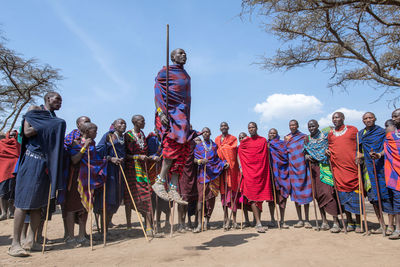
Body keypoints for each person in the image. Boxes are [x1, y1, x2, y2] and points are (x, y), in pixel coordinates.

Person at [9, 92, 66, 257]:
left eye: (61, 100)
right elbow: (26, 132)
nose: (60, 102)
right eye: (58, 99)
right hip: (32, 160)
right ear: (48, 99)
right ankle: (15, 244)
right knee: (23, 202)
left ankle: (31, 241)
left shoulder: (53, 118)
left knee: (39, 204)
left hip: (45, 163)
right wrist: (49, 125)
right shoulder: (35, 109)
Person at [152, 48, 197, 205]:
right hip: (171, 115)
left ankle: (173, 187)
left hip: (183, 116)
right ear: (172, 57)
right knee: (172, 146)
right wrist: (161, 112)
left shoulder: (185, 75)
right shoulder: (165, 72)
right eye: (180, 53)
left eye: (185, 53)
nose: (184, 55)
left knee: (183, 151)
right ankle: (159, 181)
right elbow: (157, 93)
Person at [64, 122, 107, 246]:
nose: (96, 133)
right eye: (95, 131)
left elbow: (95, 160)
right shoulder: (75, 142)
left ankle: (82, 235)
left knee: (85, 208)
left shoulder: (93, 143)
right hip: (77, 180)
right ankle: (71, 237)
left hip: (89, 179)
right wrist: (84, 147)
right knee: (72, 208)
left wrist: (106, 160)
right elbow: (75, 159)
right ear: (87, 132)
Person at [358, 112, 394, 234]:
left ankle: (391, 225)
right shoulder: (360, 134)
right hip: (368, 170)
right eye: (365, 118)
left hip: (382, 167)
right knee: (373, 198)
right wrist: (359, 157)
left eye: (370, 118)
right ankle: (381, 224)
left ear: (375, 119)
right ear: (363, 121)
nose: (368, 120)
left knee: (386, 196)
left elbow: (388, 148)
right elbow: (359, 151)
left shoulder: (381, 132)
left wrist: (379, 154)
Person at [326, 112, 362, 233]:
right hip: (338, 169)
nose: (335, 119)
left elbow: (359, 145)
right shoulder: (330, 134)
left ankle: (358, 222)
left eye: (337, 117)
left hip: (352, 168)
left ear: (343, 118)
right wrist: (327, 152)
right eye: (333, 118)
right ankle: (349, 221)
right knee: (343, 197)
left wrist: (360, 155)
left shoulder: (353, 130)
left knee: (355, 196)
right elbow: (330, 147)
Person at [303, 120, 340, 233]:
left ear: (318, 126)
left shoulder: (325, 136)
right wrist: (307, 156)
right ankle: (324, 221)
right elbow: (304, 151)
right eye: (309, 126)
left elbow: (333, 145)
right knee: (318, 194)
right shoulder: (307, 139)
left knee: (329, 193)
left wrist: (328, 152)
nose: (311, 128)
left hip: (325, 167)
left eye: (313, 126)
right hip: (313, 169)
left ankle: (335, 222)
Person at [238, 122, 273, 233]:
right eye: (249, 128)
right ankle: (258, 223)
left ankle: (258, 221)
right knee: (252, 197)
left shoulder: (263, 140)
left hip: (261, 173)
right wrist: (241, 167)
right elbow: (239, 152)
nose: (251, 129)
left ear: (256, 128)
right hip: (249, 174)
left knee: (260, 198)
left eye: (253, 127)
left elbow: (266, 154)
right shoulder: (244, 142)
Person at [94, 119, 127, 234]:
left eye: (124, 123)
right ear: (114, 125)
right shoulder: (108, 136)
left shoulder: (125, 138)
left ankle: (106, 228)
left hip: (121, 171)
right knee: (108, 199)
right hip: (110, 171)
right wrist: (110, 158)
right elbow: (98, 151)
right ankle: (103, 231)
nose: (123, 125)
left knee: (117, 199)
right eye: (120, 123)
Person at [193, 127, 227, 233]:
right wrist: (200, 161)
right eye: (204, 132)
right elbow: (194, 159)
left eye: (208, 131)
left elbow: (217, 160)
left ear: (210, 133)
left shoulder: (215, 146)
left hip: (213, 175)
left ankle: (207, 221)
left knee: (211, 200)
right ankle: (199, 224)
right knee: (200, 199)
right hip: (202, 176)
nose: (206, 133)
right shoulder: (198, 146)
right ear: (202, 134)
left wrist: (223, 164)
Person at [124, 115, 154, 235]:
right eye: (142, 120)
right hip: (131, 171)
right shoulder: (128, 136)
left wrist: (151, 157)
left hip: (142, 170)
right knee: (129, 198)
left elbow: (145, 152)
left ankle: (148, 226)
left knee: (147, 195)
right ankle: (129, 226)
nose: (144, 122)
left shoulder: (142, 135)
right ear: (135, 122)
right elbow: (125, 155)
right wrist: (137, 156)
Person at [285, 120, 312, 228]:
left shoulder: (304, 137)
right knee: (296, 195)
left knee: (306, 194)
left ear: (297, 126)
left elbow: (308, 150)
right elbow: (285, 151)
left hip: (303, 168)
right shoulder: (287, 138)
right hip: (292, 169)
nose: (292, 126)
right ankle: (300, 219)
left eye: (294, 125)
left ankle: (307, 219)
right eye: (290, 125)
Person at [215, 122, 241, 229]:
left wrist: (223, 149)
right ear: (220, 128)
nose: (223, 127)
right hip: (222, 171)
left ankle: (234, 220)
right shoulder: (217, 139)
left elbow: (232, 151)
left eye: (225, 126)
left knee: (232, 195)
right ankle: (226, 219)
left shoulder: (233, 138)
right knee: (224, 197)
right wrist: (222, 163)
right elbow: (215, 153)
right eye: (222, 126)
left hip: (232, 171)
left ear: (228, 127)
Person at [177, 127, 199, 232]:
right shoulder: (178, 141)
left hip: (191, 173)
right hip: (181, 173)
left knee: (188, 200)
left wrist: (199, 161)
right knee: (181, 200)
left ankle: (185, 222)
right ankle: (180, 224)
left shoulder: (193, 143)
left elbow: (196, 156)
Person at [268, 128, 290, 229]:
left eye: (274, 133)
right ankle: (272, 219)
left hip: (281, 174)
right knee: (271, 200)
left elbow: (286, 156)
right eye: (270, 133)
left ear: (277, 134)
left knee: (282, 199)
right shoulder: (266, 145)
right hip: (271, 174)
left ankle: (282, 220)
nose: (272, 135)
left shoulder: (282, 144)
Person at [383, 108, 400, 239]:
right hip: (395, 172)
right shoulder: (390, 134)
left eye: (396, 116)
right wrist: (378, 154)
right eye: (393, 117)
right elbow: (386, 149)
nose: (394, 119)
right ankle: (398, 229)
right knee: (397, 201)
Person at [0, 130, 20, 220]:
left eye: (14, 135)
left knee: (12, 192)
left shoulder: (18, 145)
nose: (12, 137)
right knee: (2, 192)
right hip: (4, 171)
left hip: (13, 172)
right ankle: (4, 212)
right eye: (11, 135)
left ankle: (10, 212)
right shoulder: (1, 144)